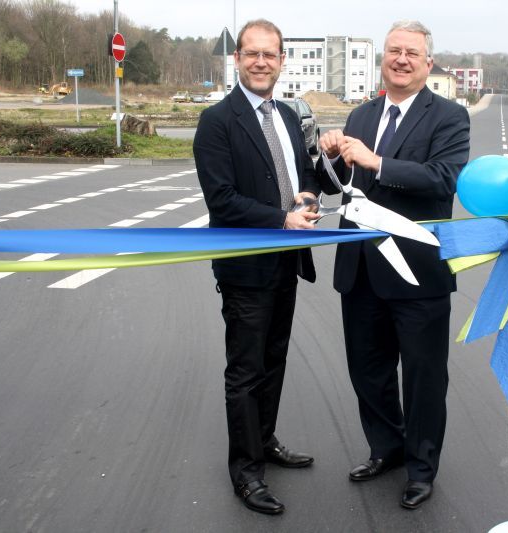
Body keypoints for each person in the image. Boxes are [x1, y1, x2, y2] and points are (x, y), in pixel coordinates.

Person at [316, 20, 470, 509]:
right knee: (368, 370)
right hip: (360, 269)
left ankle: (422, 468)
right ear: (384, 57)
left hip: (417, 272)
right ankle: (386, 448)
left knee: (424, 377)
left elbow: (441, 179)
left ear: (428, 63)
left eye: (412, 53)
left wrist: (376, 161)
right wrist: (330, 156)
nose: (401, 59)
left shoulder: (449, 116)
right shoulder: (360, 114)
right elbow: (340, 183)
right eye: (393, 51)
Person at [193, 19, 320, 516]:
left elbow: (303, 172)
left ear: (282, 60)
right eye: (252, 54)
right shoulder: (217, 121)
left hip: (285, 265)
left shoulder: (288, 116)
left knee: (274, 360)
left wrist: (307, 196)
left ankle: (264, 441)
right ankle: (246, 473)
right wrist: (283, 218)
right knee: (245, 372)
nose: (261, 62)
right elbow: (222, 200)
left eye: (270, 54)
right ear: (238, 60)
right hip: (245, 270)